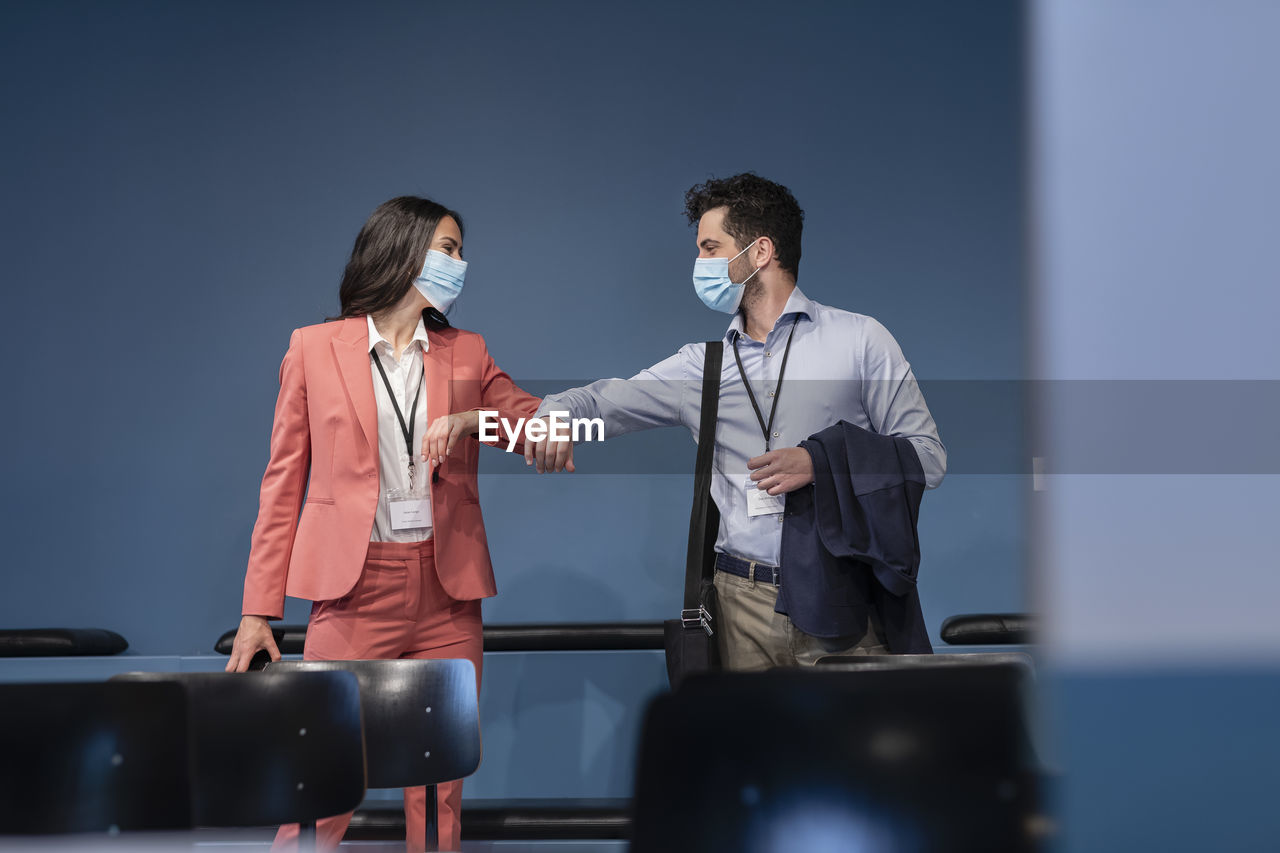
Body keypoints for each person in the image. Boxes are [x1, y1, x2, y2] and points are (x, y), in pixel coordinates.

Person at [525, 173, 946, 670]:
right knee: (749, 750)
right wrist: (550, 416)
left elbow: (928, 457)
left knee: (846, 749)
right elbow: (601, 403)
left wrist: (822, 460)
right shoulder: (700, 368)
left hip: (843, 599)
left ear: (760, 251)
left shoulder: (861, 341)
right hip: (738, 604)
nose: (698, 265)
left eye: (710, 248)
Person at [225, 196, 540, 851]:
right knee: (320, 778)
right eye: (450, 249)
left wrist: (477, 419)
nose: (462, 263)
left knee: (440, 790)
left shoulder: (468, 352)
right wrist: (259, 608)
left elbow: (553, 427)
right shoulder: (313, 350)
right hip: (351, 591)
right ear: (404, 251)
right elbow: (282, 484)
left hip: (447, 593)